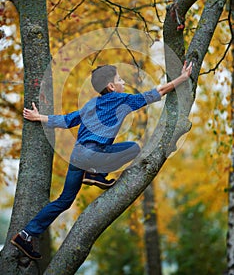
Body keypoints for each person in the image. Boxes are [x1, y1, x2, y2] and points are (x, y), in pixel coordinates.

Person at [11, 62, 192, 259]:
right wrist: (182, 78)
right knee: (133, 148)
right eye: (120, 79)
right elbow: (157, 92)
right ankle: (96, 173)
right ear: (112, 87)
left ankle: (26, 234)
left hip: (77, 156)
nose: (123, 82)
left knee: (64, 200)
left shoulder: (91, 104)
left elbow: (67, 120)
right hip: (93, 155)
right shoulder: (122, 100)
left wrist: (40, 117)